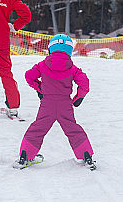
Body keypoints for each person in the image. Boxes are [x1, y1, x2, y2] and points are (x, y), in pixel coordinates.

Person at [14, 34, 96, 170]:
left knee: (38, 128)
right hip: (65, 105)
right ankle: (86, 156)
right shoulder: (72, 68)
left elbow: (29, 76)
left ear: (51, 49)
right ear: (69, 51)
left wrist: (39, 88)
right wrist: (78, 97)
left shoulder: (42, 65)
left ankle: (25, 156)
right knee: (73, 129)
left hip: (47, 104)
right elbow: (84, 83)